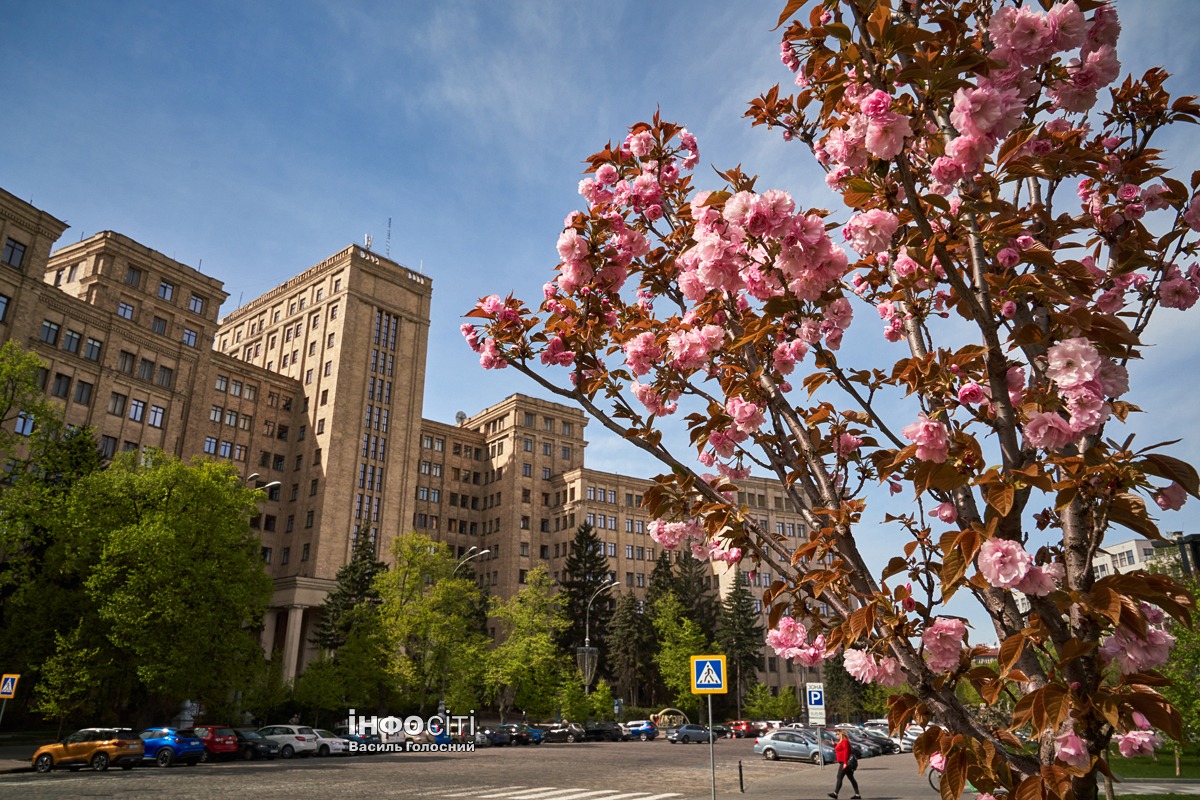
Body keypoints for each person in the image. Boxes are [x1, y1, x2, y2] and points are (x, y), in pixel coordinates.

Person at [828, 730, 861, 800]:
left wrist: (845, 763)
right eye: (836, 734)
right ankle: (857, 794)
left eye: (837, 734)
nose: (836, 735)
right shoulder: (841, 742)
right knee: (851, 778)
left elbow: (846, 752)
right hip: (844, 762)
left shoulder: (845, 741)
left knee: (839, 777)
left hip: (845, 762)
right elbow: (840, 749)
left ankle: (835, 793)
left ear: (841, 734)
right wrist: (835, 744)